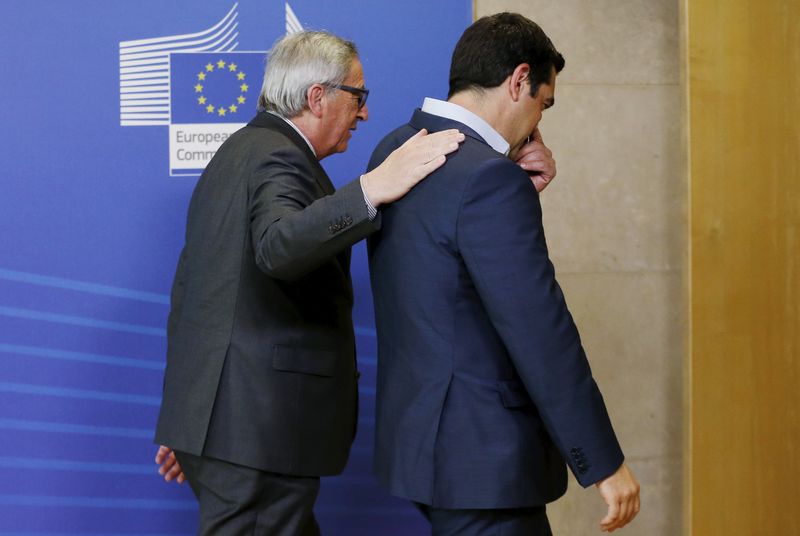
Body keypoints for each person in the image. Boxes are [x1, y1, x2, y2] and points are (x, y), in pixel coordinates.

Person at [152, 30, 464, 535]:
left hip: (228, 429)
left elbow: (196, 291)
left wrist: (190, 420)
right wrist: (371, 189)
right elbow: (278, 247)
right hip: (255, 433)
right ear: (317, 98)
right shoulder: (278, 157)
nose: (364, 114)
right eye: (358, 97)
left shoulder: (241, 151)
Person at [367, 13, 640, 535]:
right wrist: (603, 462)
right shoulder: (490, 181)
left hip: (424, 452)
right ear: (519, 80)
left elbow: (444, 278)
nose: (540, 120)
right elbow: (540, 329)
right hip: (485, 463)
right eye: (543, 101)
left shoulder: (395, 151)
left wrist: (513, 184)